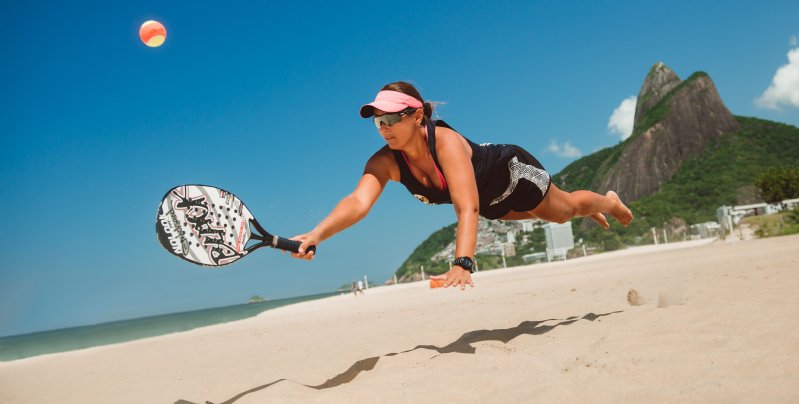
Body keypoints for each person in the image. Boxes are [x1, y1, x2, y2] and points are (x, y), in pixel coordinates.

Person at [291, 82, 633, 290]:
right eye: (379, 121)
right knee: (552, 216)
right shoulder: (385, 162)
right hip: (489, 204)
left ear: (417, 116)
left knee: (563, 212)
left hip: (511, 174)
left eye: (392, 118)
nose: (384, 128)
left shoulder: (446, 143)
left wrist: (462, 262)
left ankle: (609, 203)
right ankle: (596, 207)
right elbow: (358, 201)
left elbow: (465, 207)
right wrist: (316, 233)